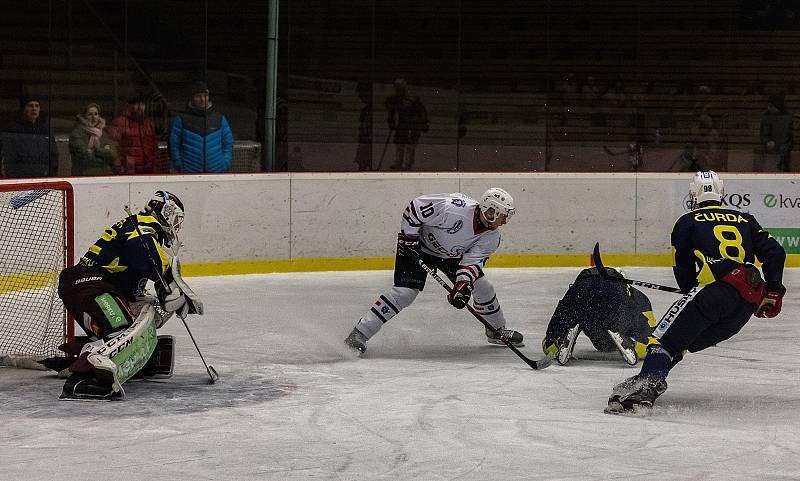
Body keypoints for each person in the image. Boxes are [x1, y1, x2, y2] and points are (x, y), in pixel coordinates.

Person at [606, 171, 786, 413]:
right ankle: (649, 378)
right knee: (681, 341)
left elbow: (683, 270)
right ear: (722, 194)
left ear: (694, 195)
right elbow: (776, 253)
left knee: (662, 340)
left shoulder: (687, 222)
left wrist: (691, 291)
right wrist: (773, 290)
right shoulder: (745, 220)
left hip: (710, 294)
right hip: (744, 306)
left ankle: (647, 386)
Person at [55, 191, 203, 400]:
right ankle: (86, 377)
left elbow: (142, 267)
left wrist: (169, 294)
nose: (176, 225)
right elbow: (144, 257)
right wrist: (171, 281)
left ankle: (95, 352)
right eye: (176, 219)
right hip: (89, 284)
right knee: (121, 329)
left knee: (138, 316)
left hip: (96, 286)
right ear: (167, 211)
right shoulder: (143, 224)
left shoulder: (144, 231)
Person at [344, 188, 524, 354]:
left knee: (482, 286)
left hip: (450, 256)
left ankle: (496, 331)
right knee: (404, 293)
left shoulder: (491, 237)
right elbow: (415, 208)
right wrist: (409, 238)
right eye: (503, 216)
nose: (505, 221)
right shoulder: (453, 208)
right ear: (491, 211)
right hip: (417, 246)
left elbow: (471, 264)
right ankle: (359, 333)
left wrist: (462, 285)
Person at [541, 266, 656, 366]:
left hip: (580, 287)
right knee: (649, 347)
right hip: (614, 294)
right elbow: (651, 334)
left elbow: (559, 316)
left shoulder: (576, 289)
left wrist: (552, 338)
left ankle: (560, 341)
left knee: (548, 345)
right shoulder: (637, 296)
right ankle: (630, 343)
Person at [169, 80, 234, 173]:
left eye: (205, 95)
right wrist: (180, 165)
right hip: (189, 173)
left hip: (216, 172)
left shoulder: (219, 119)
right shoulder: (181, 120)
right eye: (198, 96)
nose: (203, 99)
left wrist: (225, 163)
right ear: (192, 98)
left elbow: (228, 143)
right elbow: (174, 145)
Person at [0, 95, 59, 178]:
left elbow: (53, 154)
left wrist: (51, 174)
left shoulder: (45, 130)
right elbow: (8, 155)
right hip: (19, 177)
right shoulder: (12, 129)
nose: (34, 109)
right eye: (30, 105)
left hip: (42, 177)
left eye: (37, 106)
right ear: (23, 109)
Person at [108, 93, 161, 174]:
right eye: (137, 104)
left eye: (142, 104)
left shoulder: (148, 123)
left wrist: (155, 167)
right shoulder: (120, 123)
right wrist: (120, 168)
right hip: (128, 171)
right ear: (130, 105)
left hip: (148, 171)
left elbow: (154, 148)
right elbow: (114, 149)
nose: (140, 107)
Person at [384, 78, 428, 171]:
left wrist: (423, 123)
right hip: (403, 125)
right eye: (397, 87)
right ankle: (398, 163)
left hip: (413, 125)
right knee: (400, 144)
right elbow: (391, 111)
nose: (398, 89)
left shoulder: (412, 99)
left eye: (400, 87)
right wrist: (391, 122)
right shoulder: (395, 99)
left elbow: (421, 112)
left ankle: (408, 165)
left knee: (410, 146)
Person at [68, 102, 120, 176]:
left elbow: (113, 154)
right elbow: (85, 157)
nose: (94, 117)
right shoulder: (77, 134)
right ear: (83, 116)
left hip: (105, 175)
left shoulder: (103, 133)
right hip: (84, 174)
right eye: (90, 114)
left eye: (96, 114)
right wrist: (105, 153)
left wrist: (96, 150)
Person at [757, 93, 793, 172]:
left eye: (771, 106)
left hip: (782, 152)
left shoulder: (787, 118)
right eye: (769, 105)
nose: (769, 108)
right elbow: (763, 133)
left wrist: (777, 144)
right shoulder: (766, 117)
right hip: (769, 151)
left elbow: (788, 136)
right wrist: (767, 142)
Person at [354, 82, 373, 171]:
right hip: (365, 140)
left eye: (361, 93)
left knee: (364, 163)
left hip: (366, 141)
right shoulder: (366, 110)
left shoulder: (370, 110)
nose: (360, 96)